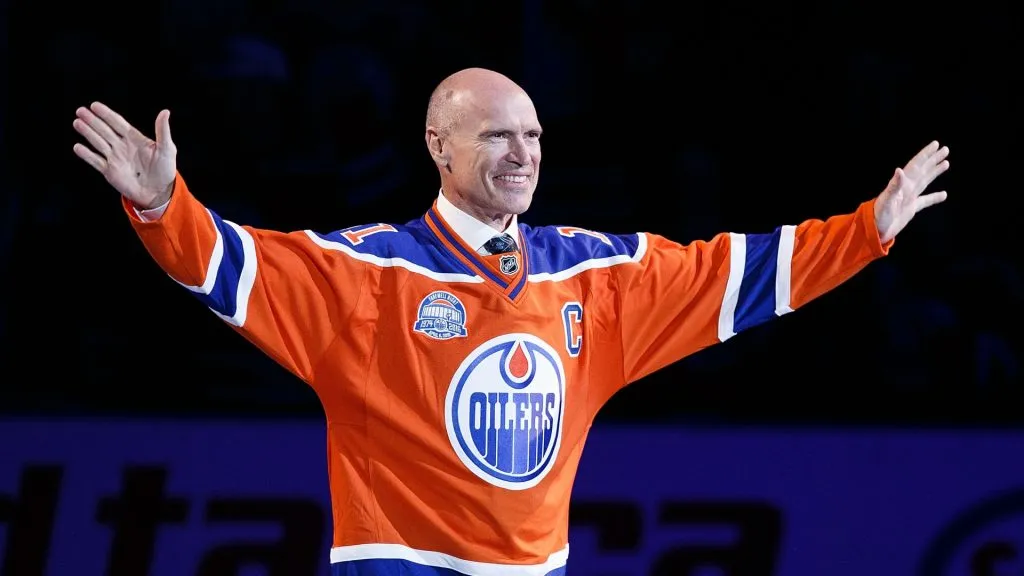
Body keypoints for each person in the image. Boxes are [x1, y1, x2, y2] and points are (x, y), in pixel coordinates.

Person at [72, 67, 949, 575]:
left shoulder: (591, 277)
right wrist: (162, 207)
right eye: (495, 137)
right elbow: (232, 264)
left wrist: (865, 231)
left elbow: (737, 272)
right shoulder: (368, 273)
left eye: (531, 136)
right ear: (438, 146)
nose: (522, 154)